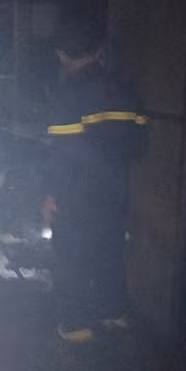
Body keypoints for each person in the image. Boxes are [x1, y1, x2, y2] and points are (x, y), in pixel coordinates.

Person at [43, 20, 147, 342]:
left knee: (71, 257)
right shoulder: (125, 89)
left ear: (62, 54)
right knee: (110, 251)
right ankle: (113, 311)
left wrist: (51, 195)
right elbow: (139, 146)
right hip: (115, 191)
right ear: (97, 50)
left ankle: (74, 324)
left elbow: (62, 153)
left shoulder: (66, 94)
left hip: (76, 194)